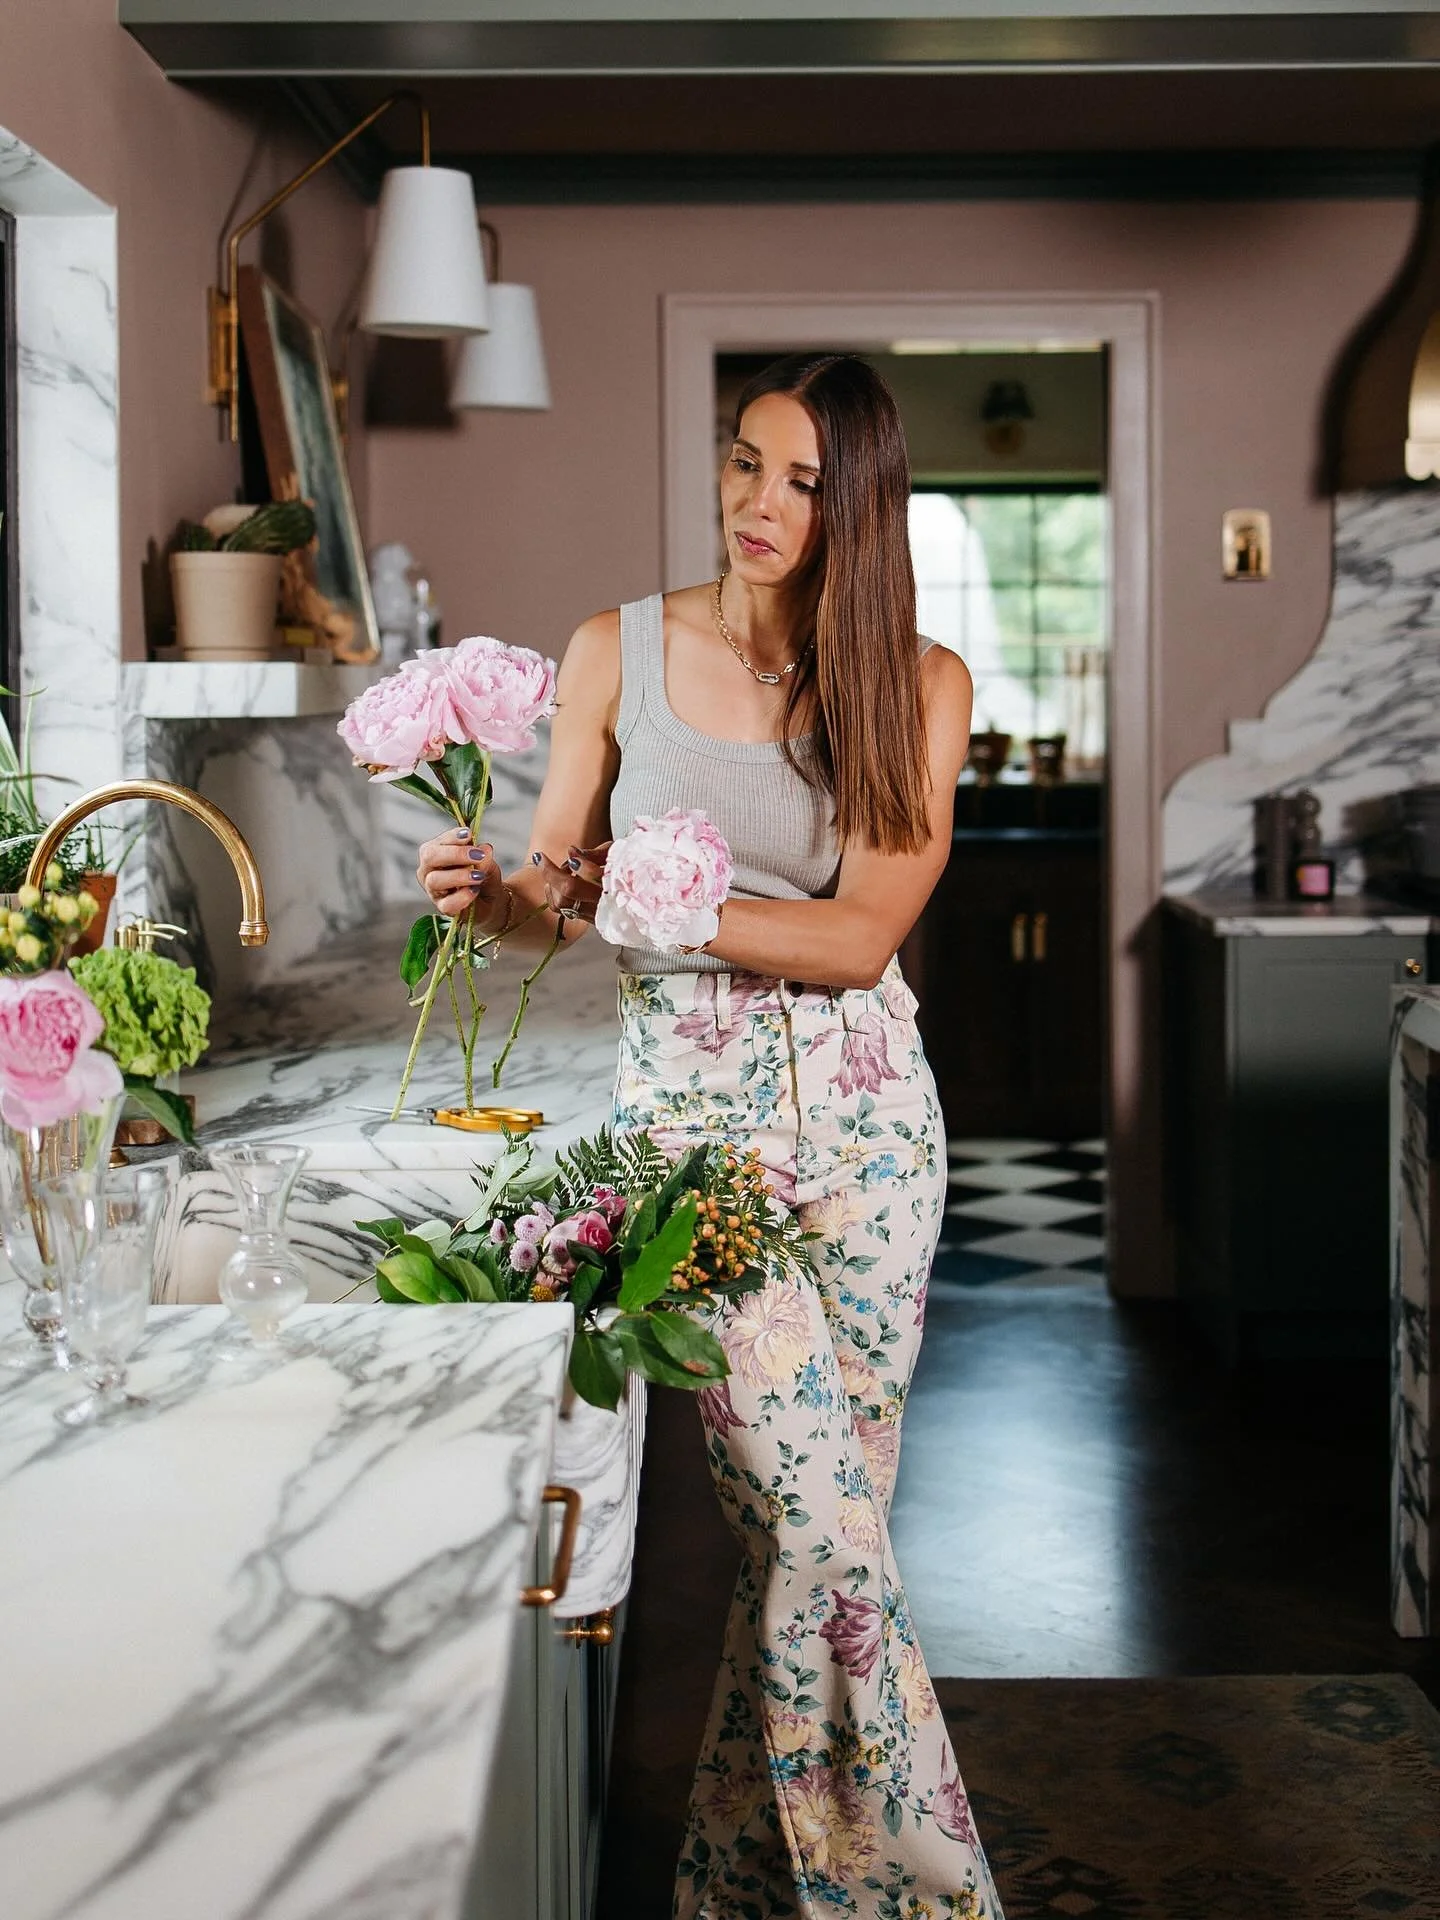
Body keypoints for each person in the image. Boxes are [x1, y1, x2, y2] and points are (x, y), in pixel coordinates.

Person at [416, 353, 1004, 1920]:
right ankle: (920, 1898)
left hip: (876, 1132)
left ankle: (739, 1884)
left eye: (805, 480)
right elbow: (557, 900)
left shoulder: (923, 682)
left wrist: (654, 897)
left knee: (826, 1543)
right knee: (817, 1538)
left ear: (860, 503)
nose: (760, 501)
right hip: (695, 1145)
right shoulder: (616, 647)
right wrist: (503, 897)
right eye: (747, 462)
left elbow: (862, 936)